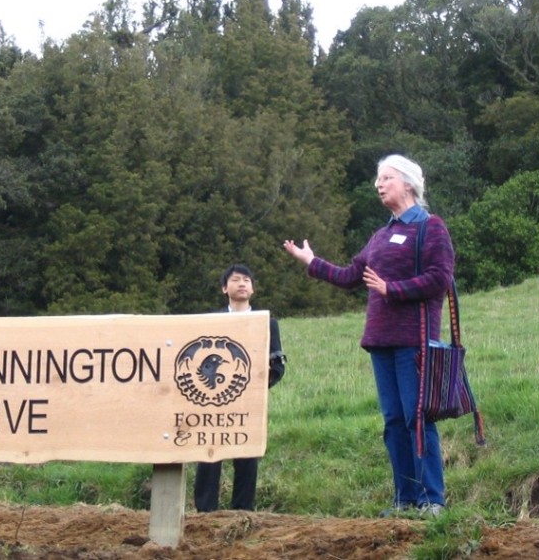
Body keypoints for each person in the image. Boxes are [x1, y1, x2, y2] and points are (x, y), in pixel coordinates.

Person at [283, 154, 454, 518]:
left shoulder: (430, 227)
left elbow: (441, 278)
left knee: (417, 418)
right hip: (381, 342)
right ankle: (405, 499)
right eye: (378, 179)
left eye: (387, 178)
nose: (379, 184)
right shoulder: (380, 235)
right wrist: (310, 261)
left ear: (408, 184)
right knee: (394, 421)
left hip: (415, 340)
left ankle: (432, 500)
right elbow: (349, 277)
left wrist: (393, 289)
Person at [194, 264, 286, 512]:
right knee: (209, 451)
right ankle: (205, 512)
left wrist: (262, 381)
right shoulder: (211, 322)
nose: (242, 283)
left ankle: (243, 512)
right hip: (211, 399)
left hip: (249, 399)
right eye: (236, 280)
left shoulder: (268, 322)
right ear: (225, 288)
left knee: (247, 455)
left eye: (247, 280)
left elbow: (278, 363)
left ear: (253, 289)